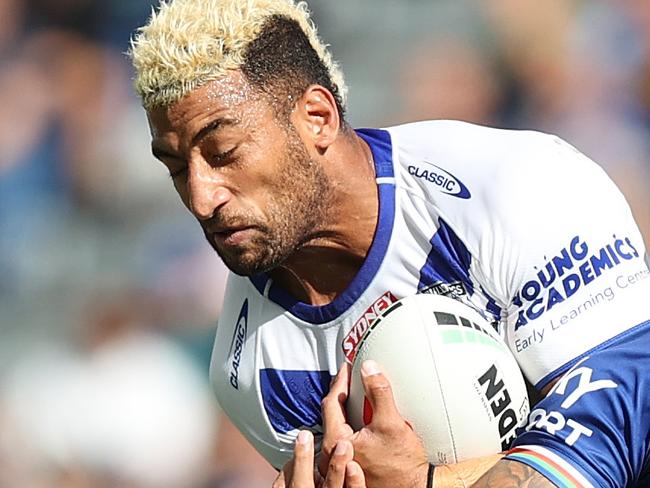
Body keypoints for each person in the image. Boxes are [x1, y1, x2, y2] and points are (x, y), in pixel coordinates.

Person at [129, 0, 650, 486]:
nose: (200, 198)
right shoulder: (253, 372)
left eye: (222, 151)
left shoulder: (519, 186)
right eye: (176, 168)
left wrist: (424, 481)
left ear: (317, 117)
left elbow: (618, 432)